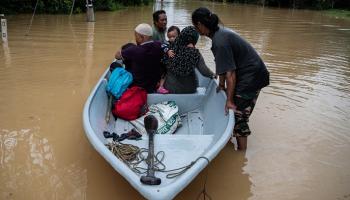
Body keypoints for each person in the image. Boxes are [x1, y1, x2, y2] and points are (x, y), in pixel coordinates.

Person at [192, 7, 270, 150]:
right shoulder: (220, 34)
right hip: (251, 73)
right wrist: (221, 84)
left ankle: (241, 155)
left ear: (199, 25)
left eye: (194, 26)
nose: (195, 29)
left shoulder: (219, 41)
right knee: (235, 108)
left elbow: (231, 74)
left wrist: (229, 100)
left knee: (239, 115)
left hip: (251, 77)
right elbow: (222, 65)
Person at [162, 26, 215, 94]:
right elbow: (204, 71)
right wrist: (213, 74)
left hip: (170, 88)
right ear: (194, 39)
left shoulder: (169, 49)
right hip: (190, 89)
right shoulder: (195, 52)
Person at [115, 23, 163, 93]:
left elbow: (117, 56)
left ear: (142, 37)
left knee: (114, 65)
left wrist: (125, 50)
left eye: (136, 36)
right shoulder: (159, 45)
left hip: (137, 86)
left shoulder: (134, 50)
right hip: (153, 85)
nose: (135, 39)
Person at [157, 25, 181, 94]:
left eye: (174, 37)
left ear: (179, 36)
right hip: (165, 64)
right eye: (170, 37)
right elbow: (162, 46)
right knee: (164, 73)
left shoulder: (181, 44)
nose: (171, 39)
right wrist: (168, 51)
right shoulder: (167, 43)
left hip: (175, 64)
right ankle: (161, 87)